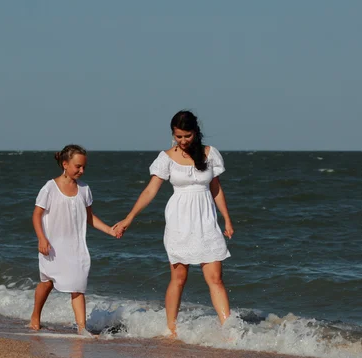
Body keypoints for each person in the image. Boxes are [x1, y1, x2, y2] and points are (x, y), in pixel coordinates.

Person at [113, 110, 234, 337]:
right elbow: (150, 190)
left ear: (195, 133)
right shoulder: (166, 158)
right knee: (179, 278)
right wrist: (129, 218)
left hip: (206, 221)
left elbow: (216, 188)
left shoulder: (210, 154)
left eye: (187, 136)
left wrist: (226, 218)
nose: (183, 141)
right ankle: (171, 330)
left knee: (215, 278)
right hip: (179, 221)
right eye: (178, 136)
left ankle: (229, 331)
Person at [30, 144, 116, 335]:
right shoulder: (50, 188)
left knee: (78, 286)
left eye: (84, 167)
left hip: (76, 247)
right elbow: (36, 215)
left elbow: (90, 217)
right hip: (52, 246)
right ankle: (35, 316)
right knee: (47, 283)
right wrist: (41, 239)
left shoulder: (85, 189)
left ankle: (81, 328)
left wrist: (109, 230)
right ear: (65, 164)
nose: (81, 170)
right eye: (78, 166)